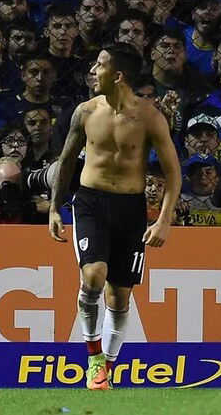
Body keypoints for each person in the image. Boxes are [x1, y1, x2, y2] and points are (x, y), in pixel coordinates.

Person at [48, 43, 181, 390]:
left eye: (100, 64)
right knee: (93, 275)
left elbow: (173, 173)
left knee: (119, 296)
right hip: (90, 202)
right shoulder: (85, 112)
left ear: (118, 75)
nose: (93, 69)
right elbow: (65, 163)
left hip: (131, 209)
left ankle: (104, 367)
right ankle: (93, 357)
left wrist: (163, 219)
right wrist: (54, 208)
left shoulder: (150, 116)